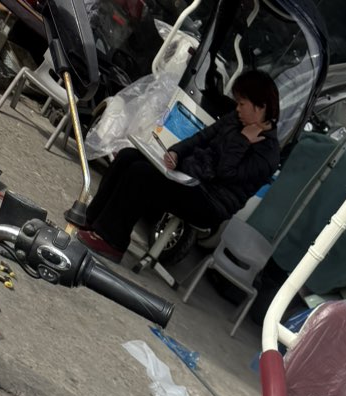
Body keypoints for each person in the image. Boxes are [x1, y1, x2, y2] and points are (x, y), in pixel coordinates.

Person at [78, 70, 281, 260]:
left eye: (242, 104)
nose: (237, 109)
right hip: (191, 177)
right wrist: (176, 152)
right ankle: (92, 219)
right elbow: (202, 137)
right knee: (128, 156)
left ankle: (112, 241)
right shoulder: (236, 119)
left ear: (260, 107)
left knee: (142, 174)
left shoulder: (268, 155)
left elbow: (225, 173)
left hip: (210, 202)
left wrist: (242, 141)